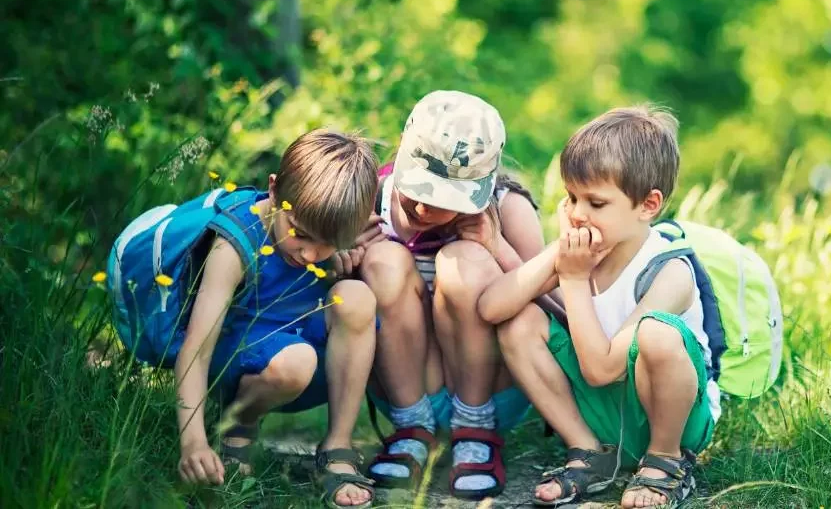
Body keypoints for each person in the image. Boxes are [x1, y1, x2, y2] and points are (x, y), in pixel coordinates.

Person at [480, 105, 721, 508]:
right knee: (518, 322)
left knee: (657, 334)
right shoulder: (580, 248)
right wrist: (556, 256)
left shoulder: (670, 271)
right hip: (605, 416)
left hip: (671, 418)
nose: (576, 214)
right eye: (571, 198)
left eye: (595, 202)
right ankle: (589, 452)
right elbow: (491, 308)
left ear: (648, 205)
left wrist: (572, 279)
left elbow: (602, 370)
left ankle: (665, 463)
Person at [132, 129, 381, 508]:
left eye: (327, 243)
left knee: (357, 297)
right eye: (300, 234)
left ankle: (337, 447)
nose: (311, 254)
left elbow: (326, 277)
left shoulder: (323, 234)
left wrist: (341, 263)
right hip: (234, 361)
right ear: (275, 191)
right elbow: (196, 352)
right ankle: (236, 425)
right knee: (297, 362)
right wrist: (192, 442)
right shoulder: (235, 245)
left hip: (296, 351)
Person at [346, 90, 547, 500]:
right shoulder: (369, 198)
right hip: (407, 386)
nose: (422, 209)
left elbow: (555, 308)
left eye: (443, 200)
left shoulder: (508, 209)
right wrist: (345, 257)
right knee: (384, 260)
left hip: (491, 392)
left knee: (464, 261)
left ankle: (476, 432)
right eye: (418, 189)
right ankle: (411, 429)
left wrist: (498, 249)